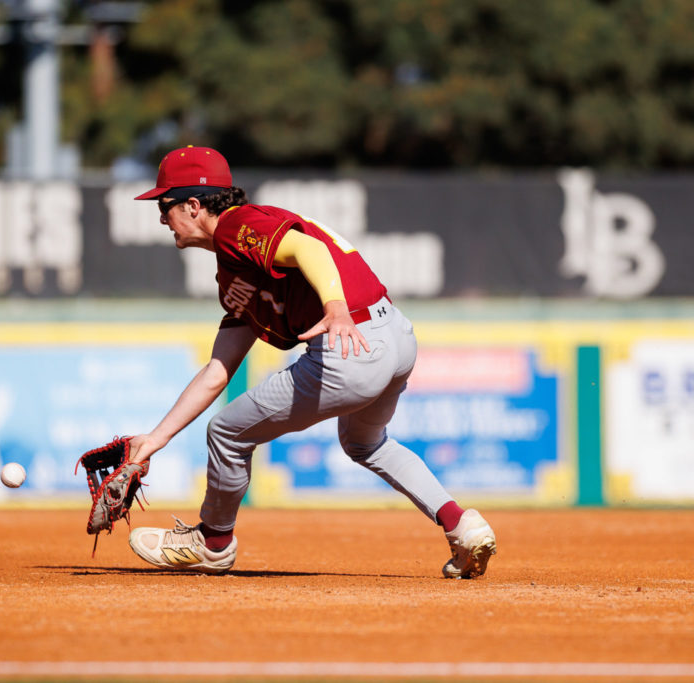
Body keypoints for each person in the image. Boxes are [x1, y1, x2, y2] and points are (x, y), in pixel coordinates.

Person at [125, 146, 497, 578]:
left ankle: (213, 543)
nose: (160, 216)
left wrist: (335, 308)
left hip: (349, 339)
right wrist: (155, 439)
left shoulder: (236, 227)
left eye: (164, 204)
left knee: (227, 433)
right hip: (394, 335)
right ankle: (460, 524)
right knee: (366, 443)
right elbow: (216, 371)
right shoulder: (236, 267)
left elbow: (308, 250)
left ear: (193, 205)